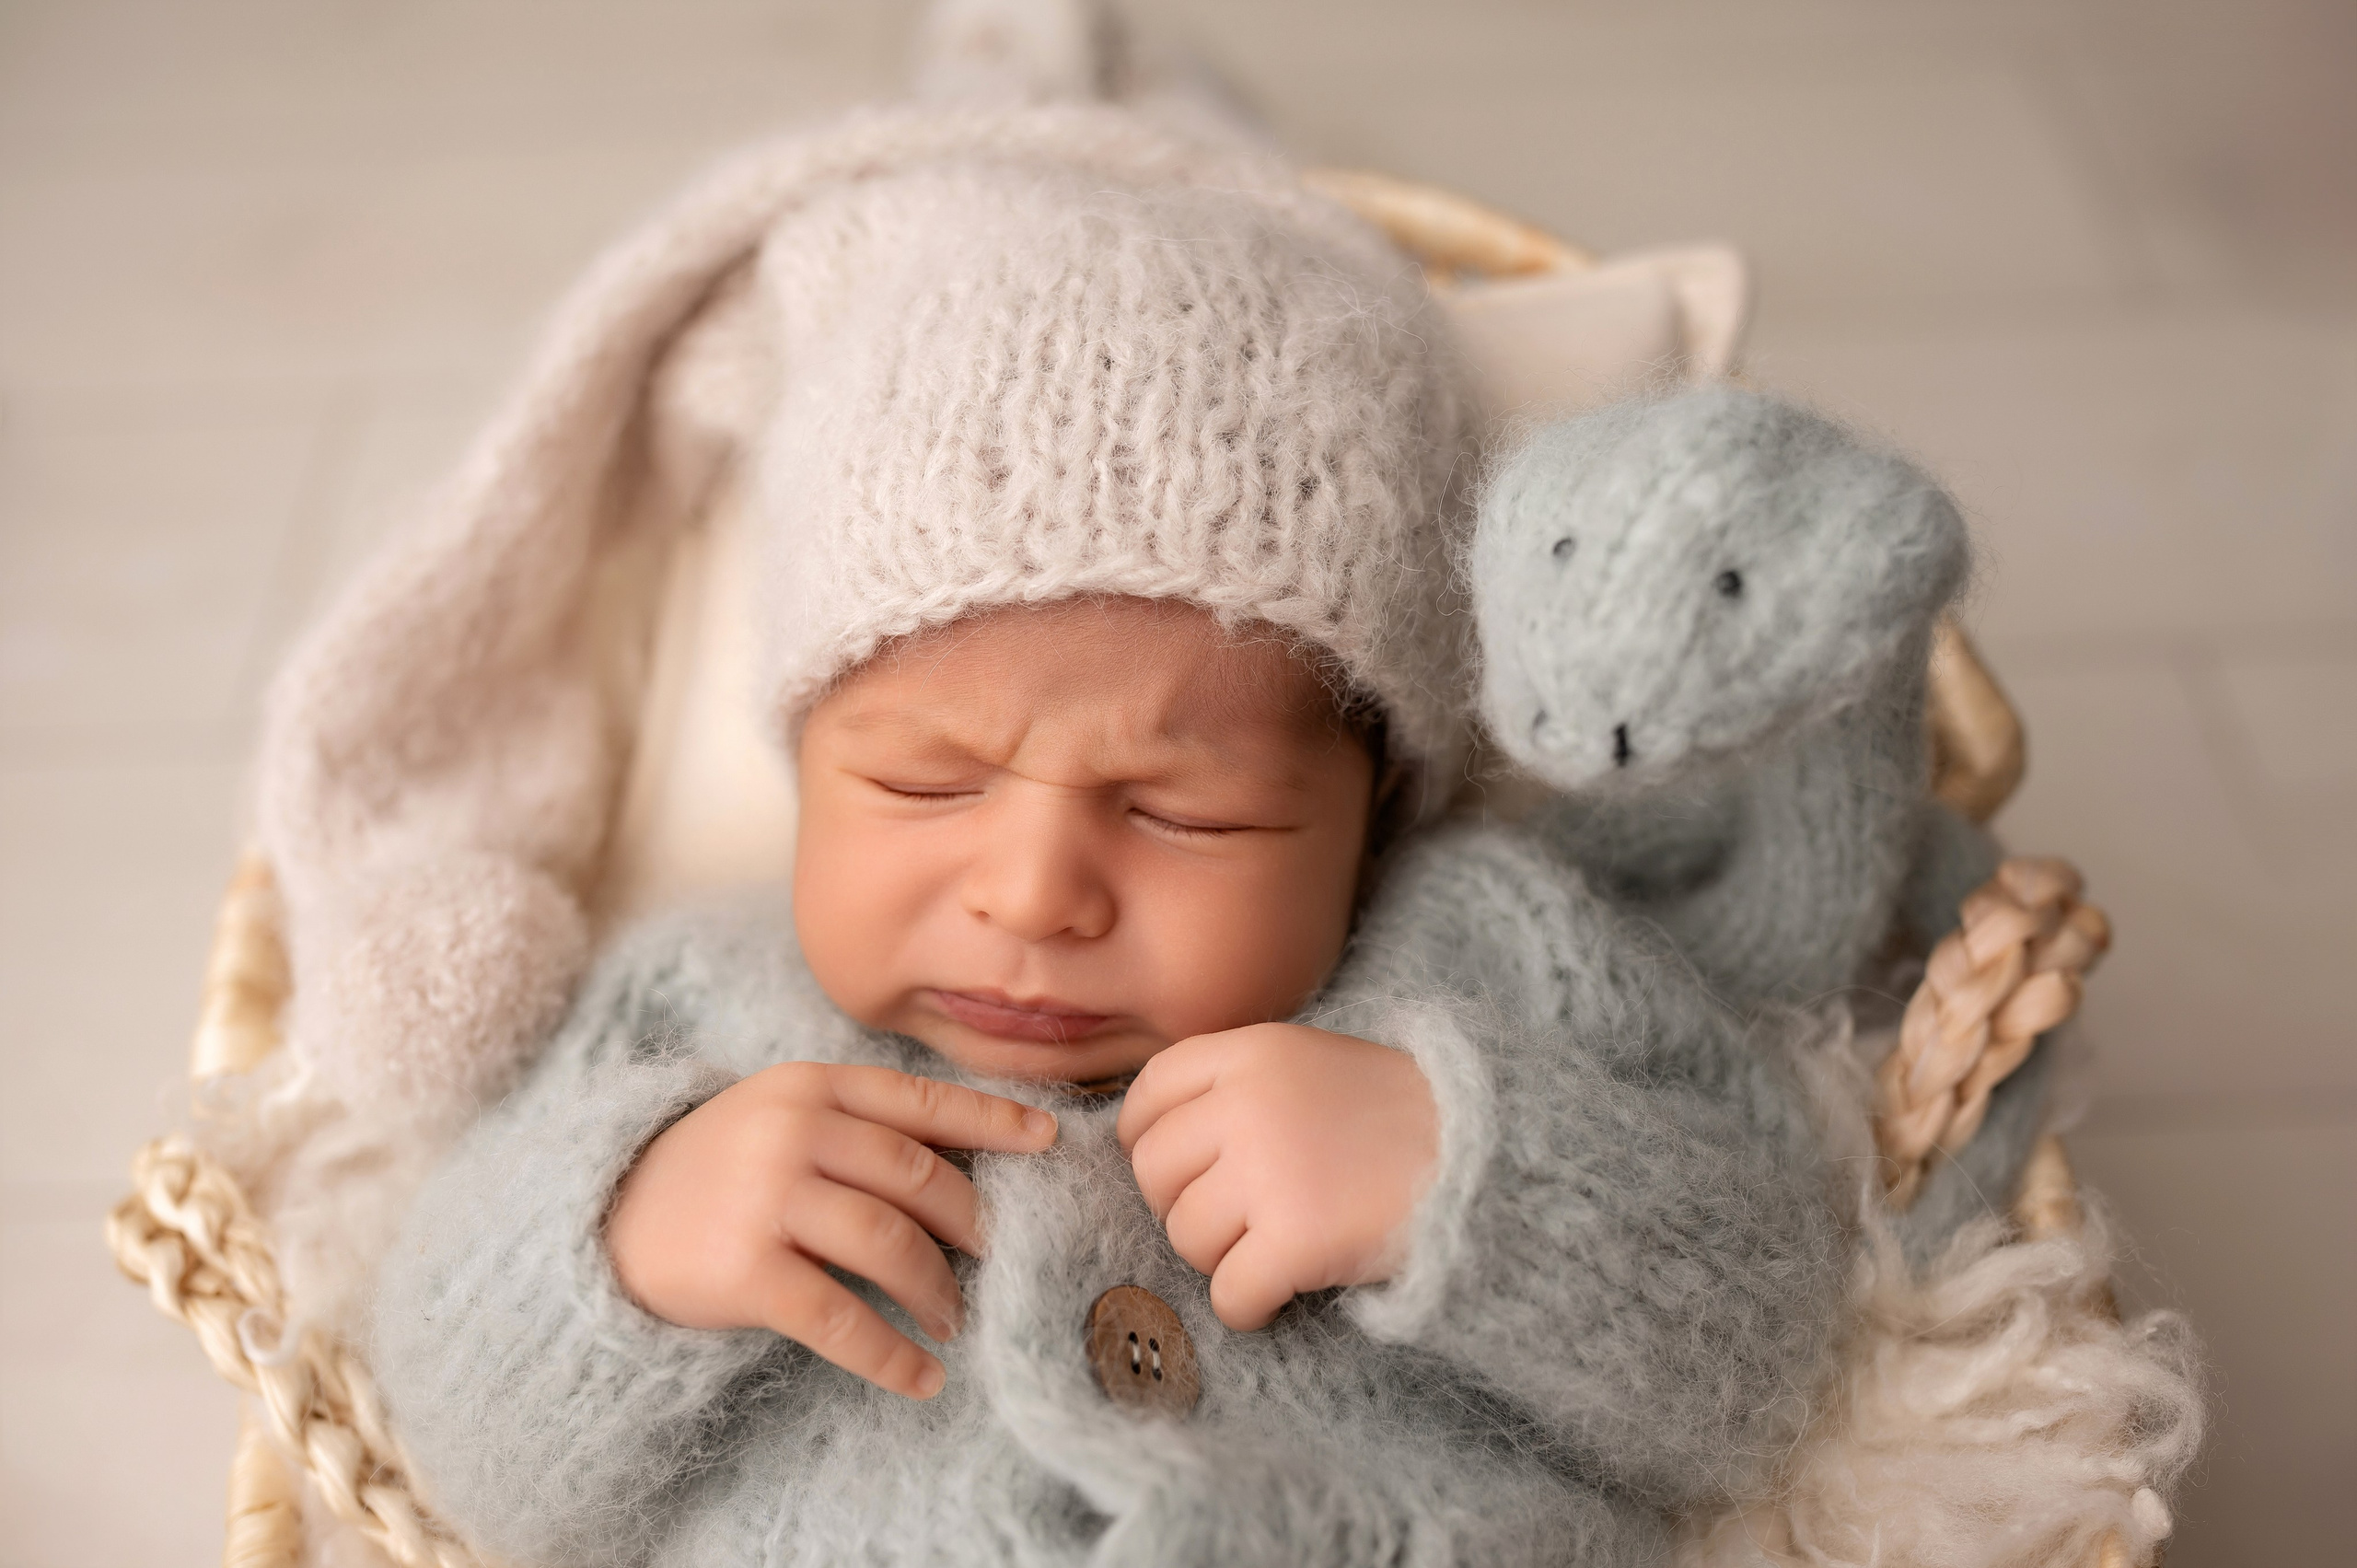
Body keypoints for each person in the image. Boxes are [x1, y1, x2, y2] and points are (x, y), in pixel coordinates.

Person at [359, 102, 1846, 1568]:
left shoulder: (1479, 954)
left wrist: (1471, 1176)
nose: (1034, 893)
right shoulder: (701, 1012)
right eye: (925, 785)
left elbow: (1772, 1351)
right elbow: (446, 1426)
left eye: (1182, 812)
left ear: (1375, 807)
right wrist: (628, 1248)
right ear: (805, 763)